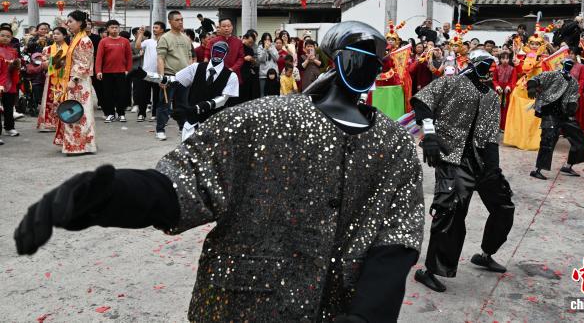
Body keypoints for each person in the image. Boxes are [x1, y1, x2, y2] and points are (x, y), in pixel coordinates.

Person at [15, 20, 424, 322]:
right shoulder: (262, 120)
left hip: (340, 304)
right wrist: (108, 195)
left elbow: (397, 238)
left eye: (373, 59)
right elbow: (181, 185)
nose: (365, 66)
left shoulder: (394, 147)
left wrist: (368, 314)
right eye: (357, 56)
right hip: (244, 304)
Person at [412, 50, 514, 294]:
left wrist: (493, 167)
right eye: (484, 64)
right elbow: (423, 101)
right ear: (472, 63)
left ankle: (485, 254)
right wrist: (430, 134)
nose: (488, 69)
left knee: (503, 205)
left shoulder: (491, 96)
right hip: (452, 158)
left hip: (481, 160)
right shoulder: (451, 82)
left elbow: (491, 133)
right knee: (451, 211)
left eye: (490, 65)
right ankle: (430, 270)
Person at [145, 41, 239, 141]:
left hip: (215, 123)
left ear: (226, 54)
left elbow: (223, 99)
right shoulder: (196, 67)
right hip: (191, 122)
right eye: (216, 51)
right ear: (211, 51)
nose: (217, 54)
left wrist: (201, 107)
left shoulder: (231, 76)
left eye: (221, 52)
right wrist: (147, 76)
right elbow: (174, 80)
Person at [527, 58, 584, 180]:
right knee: (548, 139)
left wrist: (572, 105)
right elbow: (536, 78)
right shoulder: (553, 74)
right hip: (549, 110)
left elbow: (573, 97)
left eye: (571, 64)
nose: (569, 65)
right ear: (563, 64)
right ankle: (538, 169)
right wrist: (531, 87)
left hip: (564, 114)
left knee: (578, 137)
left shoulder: (574, 82)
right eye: (567, 63)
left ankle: (569, 166)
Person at [53, 11, 97, 155]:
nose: (68, 24)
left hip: (79, 81)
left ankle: (81, 145)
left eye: (71, 21)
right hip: (74, 80)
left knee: (79, 112)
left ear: (80, 23)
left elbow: (84, 63)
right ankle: (75, 143)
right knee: (73, 110)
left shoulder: (84, 40)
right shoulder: (76, 38)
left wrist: (74, 79)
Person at [155, 11, 191, 141]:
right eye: (177, 20)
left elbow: (189, 57)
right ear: (170, 22)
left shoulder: (186, 38)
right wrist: (161, 77)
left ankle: (183, 128)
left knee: (183, 104)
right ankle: (160, 130)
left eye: (182, 19)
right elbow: (160, 58)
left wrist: (190, 73)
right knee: (164, 104)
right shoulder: (165, 38)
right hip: (169, 76)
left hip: (184, 77)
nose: (180, 22)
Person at [95, 20, 132, 123]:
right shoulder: (103, 41)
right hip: (107, 72)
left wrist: (128, 70)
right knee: (108, 94)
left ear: (119, 28)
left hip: (121, 72)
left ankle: (121, 114)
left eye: (116, 27)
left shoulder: (125, 41)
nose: (114, 29)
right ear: (107, 29)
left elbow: (129, 57)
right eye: (112, 27)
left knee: (122, 94)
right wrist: (98, 71)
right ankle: (110, 114)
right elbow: (99, 57)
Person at [36, 27, 69, 132]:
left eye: (58, 34)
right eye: (54, 33)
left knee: (63, 99)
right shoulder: (47, 49)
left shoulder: (69, 49)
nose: (55, 35)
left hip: (65, 78)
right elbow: (43, 65)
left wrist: (56, 62)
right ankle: (48, 123)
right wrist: (55, 61)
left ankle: (63, 122)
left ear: (64, 36)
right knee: (50, 100)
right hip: (51, 77)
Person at [136, 22, 165, 122]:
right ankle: (141, 114)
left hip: (158, 72)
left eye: (156, 27)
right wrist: (140, 34)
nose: (154, 29)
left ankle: (154, 114)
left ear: (162, 30)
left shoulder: (165, 41)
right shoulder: (148, 41)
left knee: (157, 95)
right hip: (146, 72)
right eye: (153, 27)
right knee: (143, 94)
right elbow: (138, 46)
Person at [205, 18, 245, 82]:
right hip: (217, 74)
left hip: (234, 74)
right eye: (224, 26)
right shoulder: (212, 42)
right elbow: (207, 57)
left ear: (232, 27)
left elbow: (241, 58)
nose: (226, 28)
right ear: (219, 28)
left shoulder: (238, 42)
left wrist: (232, 69)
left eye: (228, 26)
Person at [0, 25, 21, 143]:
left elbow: (16, 66)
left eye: (8, 36)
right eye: (2, 35)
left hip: (10, 82)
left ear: (11, 38)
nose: (5, 38)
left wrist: (16, 65)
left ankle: (9, 127)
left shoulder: (13, 51)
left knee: (9, 106)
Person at [494, 52, 517, 131]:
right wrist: (497, 86)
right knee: (497, 108)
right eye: (503, 58)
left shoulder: (512, 69)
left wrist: (509, 86)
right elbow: (494, 80)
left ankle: (504, 126)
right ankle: (497, 126)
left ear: (509, 59)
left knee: (506, 109)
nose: (505, 60)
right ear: (500, 59)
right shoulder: (497, 68)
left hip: (508, 92)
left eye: (507, 58)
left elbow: (513, 80)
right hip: (499, 91)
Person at [238, 32, 258, 103]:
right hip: (238, 73)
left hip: (247, 74)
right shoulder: (238, 47)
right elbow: (234, 59)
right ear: (244, 38)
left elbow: (254, 63)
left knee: (247, 94)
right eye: (249, 42)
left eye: (252, 43)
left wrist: (252, 60)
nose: (250, 44)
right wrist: (244, 58)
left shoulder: (250, 49)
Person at [257, 32, 279, 97]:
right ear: (263, 40)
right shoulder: (260, 48)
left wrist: (269, 49)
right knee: (263, 94)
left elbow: (276, 58)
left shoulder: (273, 47)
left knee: (274, 93)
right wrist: (265, 49)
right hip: (264, 75)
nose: (267, 41)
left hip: (273, 73)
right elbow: (261, 59)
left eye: (269, 39)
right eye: (265, 39)